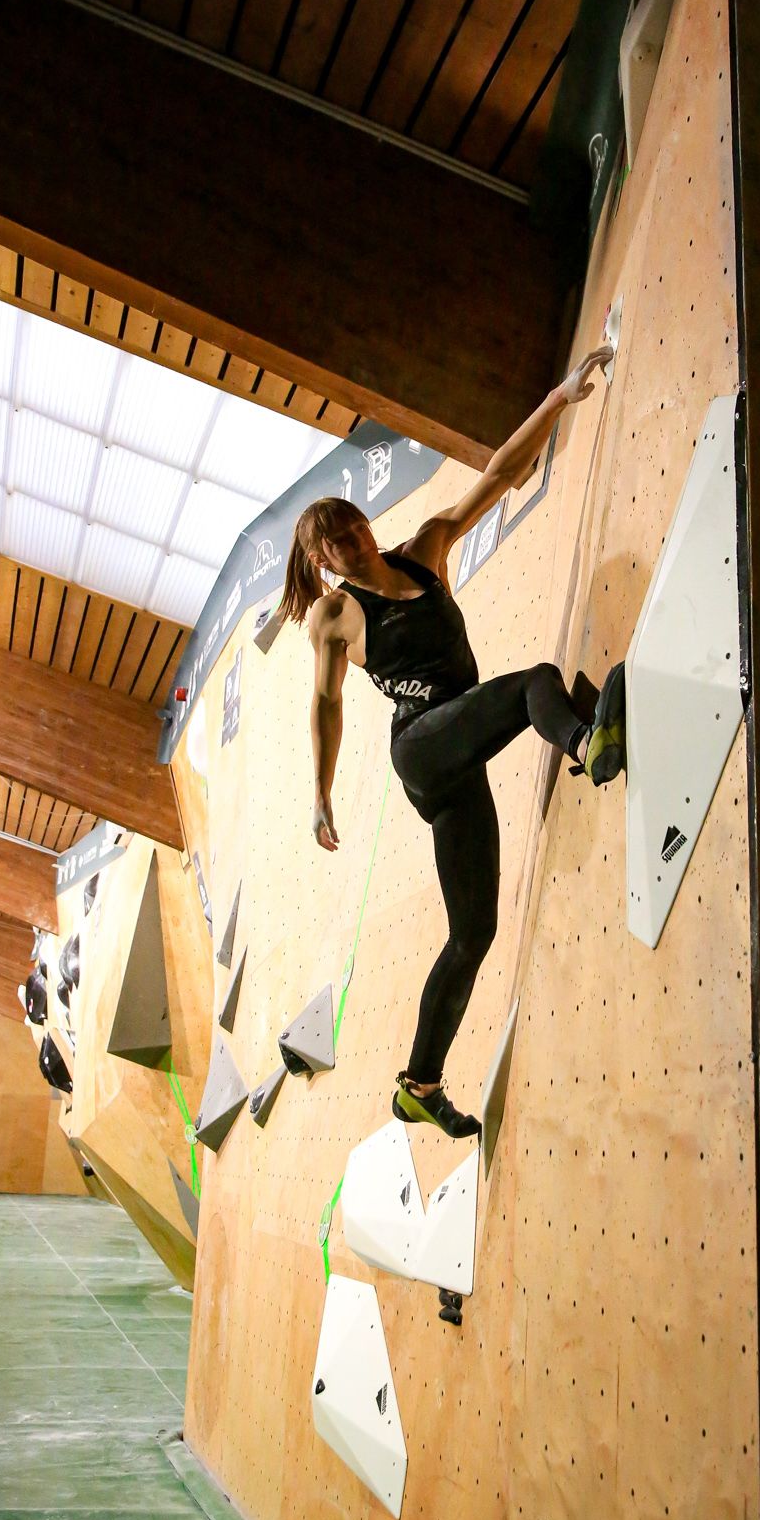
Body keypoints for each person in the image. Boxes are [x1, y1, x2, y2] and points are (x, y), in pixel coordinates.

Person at [279, 346, 627, 1138]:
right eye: (330, 543)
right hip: (422, 751)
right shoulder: (329, 619)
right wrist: (321, 796)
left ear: (365, 527)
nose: (348, 543)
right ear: (319, 559)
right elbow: (326, 707)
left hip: (456, 749)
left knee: (474, 931)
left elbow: (500, 473)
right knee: (534, 678)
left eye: (350, 526)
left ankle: (418, 1084)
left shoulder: (428, 548)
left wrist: (558, 398)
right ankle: (589, 745)